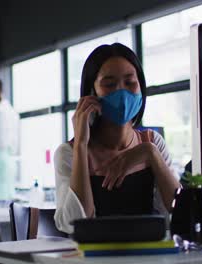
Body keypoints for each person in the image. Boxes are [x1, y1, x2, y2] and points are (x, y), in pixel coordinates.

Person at [53, 43, 181, 234]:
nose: (122, 93)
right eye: (109, 84)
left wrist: (150, 154)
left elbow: (180, 211)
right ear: (92, 92)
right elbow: (75, 224)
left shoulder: (152, 142)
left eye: (130, 83)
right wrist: (81, 144)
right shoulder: (68, 152)